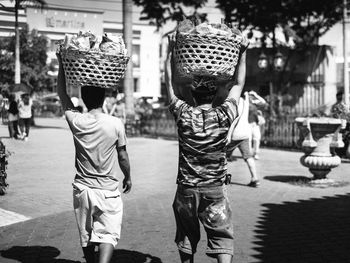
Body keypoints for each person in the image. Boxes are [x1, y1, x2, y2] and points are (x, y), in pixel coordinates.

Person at [165, 33, 246, 263]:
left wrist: (170, 52)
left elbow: (170, 83)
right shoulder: (225, 114)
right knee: (221, 236)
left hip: (187, 189)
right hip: (214, 188)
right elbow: (239, 83)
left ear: (192, 93)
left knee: (187, 236)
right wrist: (242, 52)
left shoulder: (183, 114)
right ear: (215, 94)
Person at [56, 53, 132, 263]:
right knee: (108, 234)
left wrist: (62, 64)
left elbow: (61, 93)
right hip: (107, 190)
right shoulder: (115, 123)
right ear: (103, 98)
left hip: (82, 190)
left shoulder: (76, 120)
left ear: (83, 99)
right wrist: (128, 176)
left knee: (86, 236)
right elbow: (122, 156)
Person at [226, 92, 260, 187]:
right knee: (248, 156)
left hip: (234, 135)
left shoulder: (232, 102)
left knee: (222, 156)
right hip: (245, 133)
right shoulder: (245, 101)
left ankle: (220, 178)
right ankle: (255, 178)